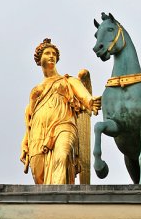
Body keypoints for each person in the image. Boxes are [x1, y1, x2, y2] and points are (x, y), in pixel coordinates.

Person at [20, 38, 102, 184]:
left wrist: (91, 102)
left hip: (64, 125)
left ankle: (59, 200)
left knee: (62, 157)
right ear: (39, 60)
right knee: (39, 174)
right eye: (47, 53)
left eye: (54, 54)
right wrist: (25, 144)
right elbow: (30, 120)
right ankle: (47, 203)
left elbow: (84, 95)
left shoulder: (67, 80)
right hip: (38, 133)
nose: (51, 56)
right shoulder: (35, 91)